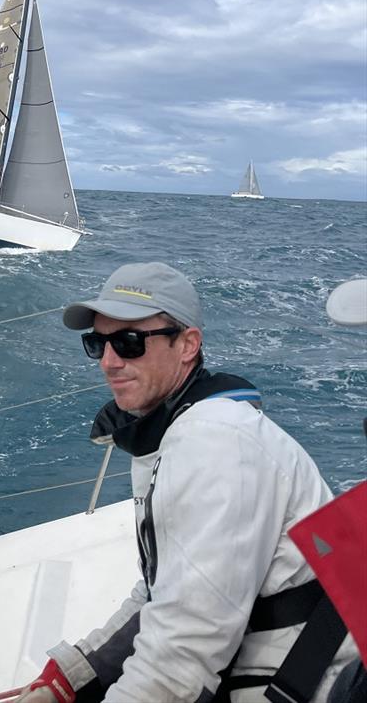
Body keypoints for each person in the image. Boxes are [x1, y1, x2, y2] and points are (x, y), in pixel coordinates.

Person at [18, 261, 356, 703]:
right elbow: (165, 592)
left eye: (129, 342)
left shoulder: (214, 445)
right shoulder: (172, 432)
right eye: (96, 342)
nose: (109, 361)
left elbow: (179, 663)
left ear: (187, 345)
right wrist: (78, 673)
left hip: (303, 682)